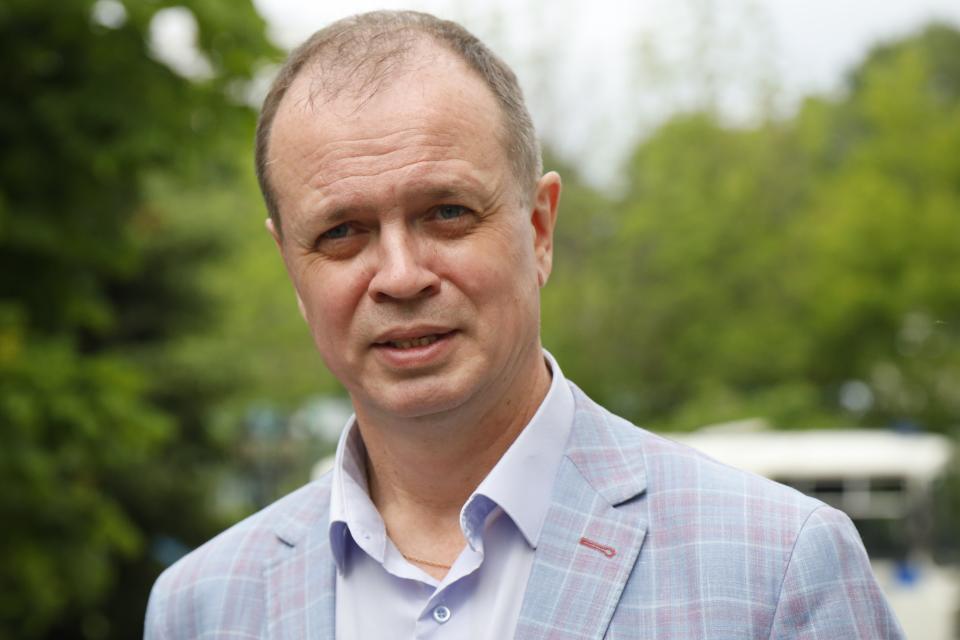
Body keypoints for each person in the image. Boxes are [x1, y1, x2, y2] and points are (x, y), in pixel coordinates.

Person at [145, 10, 904, 639]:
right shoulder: (202, 607)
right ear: (290, 265)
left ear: (539, 229)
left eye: (446, 213)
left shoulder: (775, 570)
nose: (402, 275)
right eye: (342, 232)